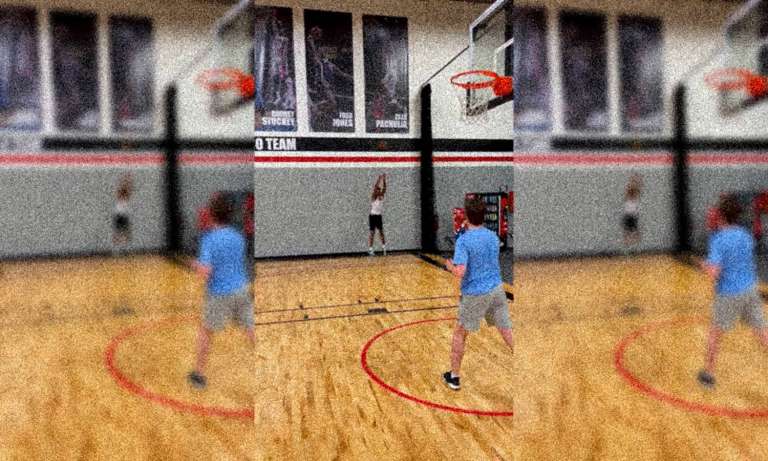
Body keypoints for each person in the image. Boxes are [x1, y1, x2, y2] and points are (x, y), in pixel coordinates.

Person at [443, 195, 514, 391]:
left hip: (475, 294)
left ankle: (454, 377)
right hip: (497, 290)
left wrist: (450, 266)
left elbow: (460, 272)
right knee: (506, 331)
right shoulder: (493, 237)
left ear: (466, 216)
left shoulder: (464, 241)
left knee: (459, 334)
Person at [697, 193, 768, 389]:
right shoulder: (745, 234)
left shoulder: (718, 239)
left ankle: (708, 375)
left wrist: (704, 265)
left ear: (721, 215)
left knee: (715, 334)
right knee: (763, 333)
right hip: (751, 290)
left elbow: (714, 272)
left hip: (729, 293)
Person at [188, 194, 255, 389]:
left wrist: (195, 265)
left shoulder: (209, 239)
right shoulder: (238, 236)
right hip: (242, 289)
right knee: (251, 329)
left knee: (206, 332)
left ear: (212, 214)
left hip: (219, 293)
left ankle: (199, 374)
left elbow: (206, 271)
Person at [112, 173, 133, 253]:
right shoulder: (121, 196)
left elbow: (128, 189)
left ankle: (122, 248)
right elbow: (125, 188)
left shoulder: (125, 197)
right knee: (119, 233)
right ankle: (117, 249)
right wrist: (126, 180)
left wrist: (127, 180)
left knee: (125, 233)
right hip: (120, 215)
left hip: (122, 215)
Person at [368, 174, 387, 256]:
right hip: (372, 216)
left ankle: (384, 248)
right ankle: (370, 249)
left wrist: (384, 180)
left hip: (379, 216)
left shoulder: (381, 196)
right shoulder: (373, 197)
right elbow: (375, 187)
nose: (378, 191)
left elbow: (385, 188)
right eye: (377, 190)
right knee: (372, 233)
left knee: (381, 232)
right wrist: (379, 179)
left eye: (379, 190)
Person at [622, 173, 642, 247]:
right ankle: (630, 244)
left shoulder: (634, 196)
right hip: (630, 215)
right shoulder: (629, 196)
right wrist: (634, 180)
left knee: (632, 233)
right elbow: (631, 189)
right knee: (629, 233)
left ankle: (631, 244)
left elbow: (636, 188)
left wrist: (635, 180)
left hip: (631, 215)